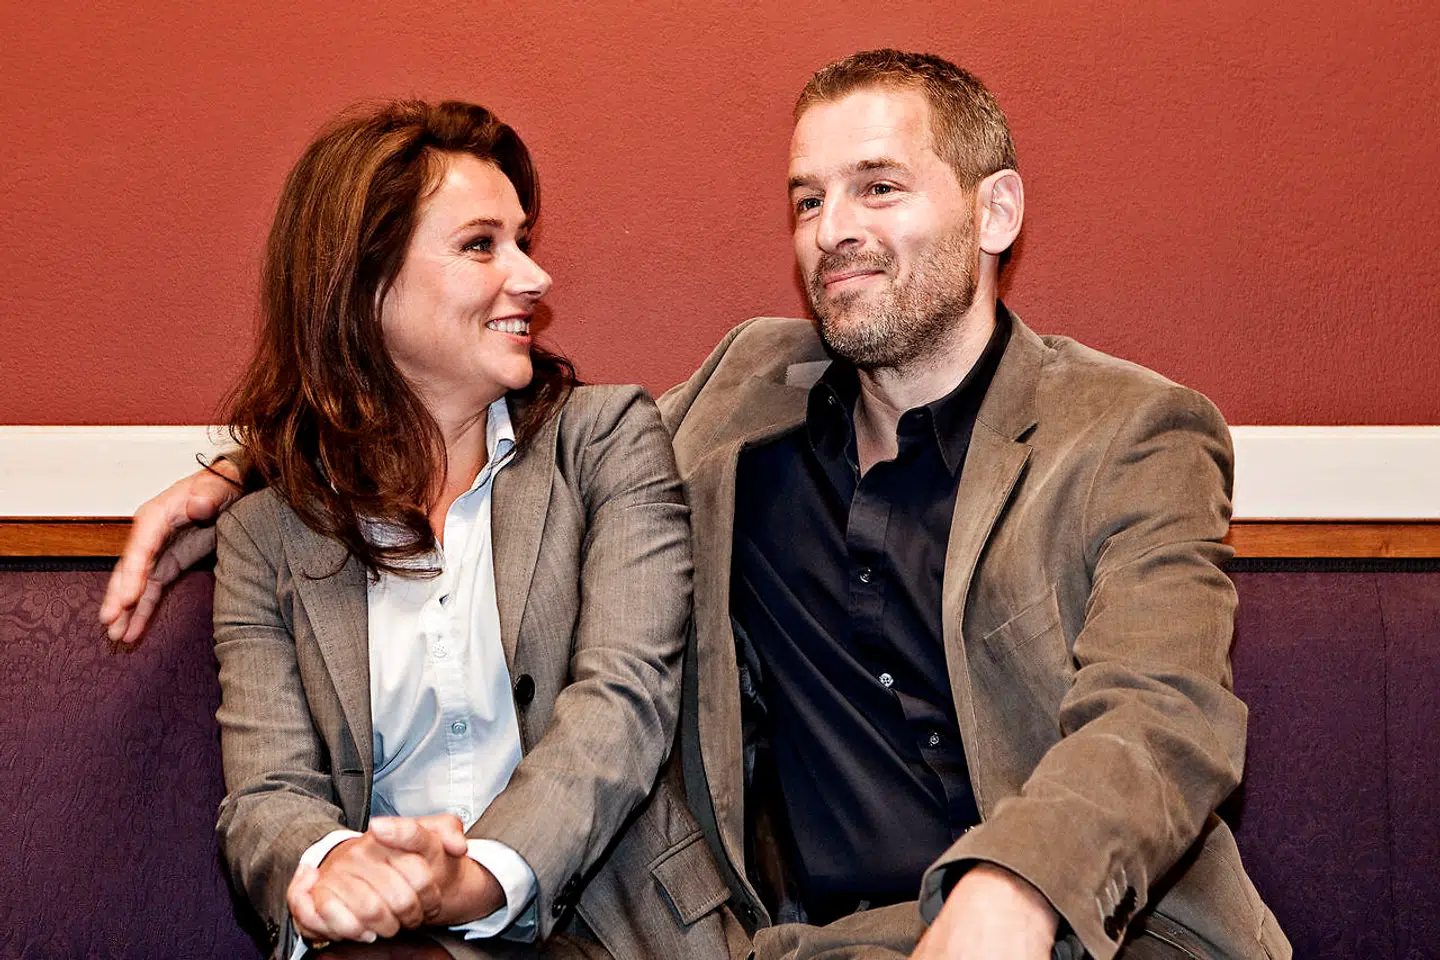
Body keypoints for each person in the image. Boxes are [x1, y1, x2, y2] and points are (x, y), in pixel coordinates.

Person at [103, 52, 1291, 960]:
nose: (835, 233)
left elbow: (1163, 718)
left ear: (995, 215)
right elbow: (468, 431)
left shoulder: (1131, 430)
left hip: (1089, 934)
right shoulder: (733, 402)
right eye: (807, 199)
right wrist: (249, 474)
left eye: (879, 187)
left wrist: (1016, 888)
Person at [163, 100, 734, 960]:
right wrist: (339, 869)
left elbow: (623, 703)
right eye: (481, 245)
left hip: (615, 935)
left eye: (524, 240)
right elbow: (267, 795)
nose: (535, 279)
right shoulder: (266, 536)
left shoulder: (606, 444)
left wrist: (472, 880)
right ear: (365, 286)